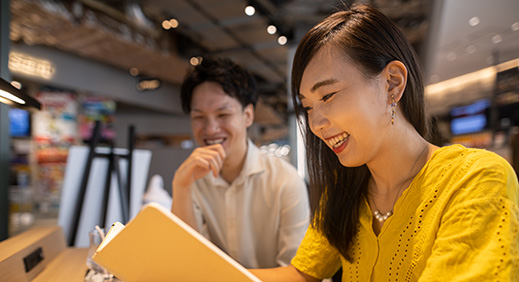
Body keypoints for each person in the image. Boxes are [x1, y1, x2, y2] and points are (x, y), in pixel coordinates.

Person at [250, 4, 519, 281]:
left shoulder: (475, 179)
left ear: (392, 83)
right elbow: (301, 274)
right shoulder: (345, 192)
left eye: (328, 96)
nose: (316, 124)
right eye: (308, 107)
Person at [171, 57, 310, 269]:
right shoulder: (192, 181)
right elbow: (186, 264)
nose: (210, 129)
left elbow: (296, 274)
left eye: (223, 114)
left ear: (247, 116)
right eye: (199, 117)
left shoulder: (285, 181)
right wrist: (181, 186)